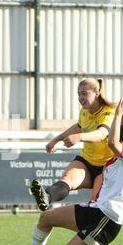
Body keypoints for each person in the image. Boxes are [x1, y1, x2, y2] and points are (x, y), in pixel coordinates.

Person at [14, 96, 123, 245]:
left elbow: (112, 142)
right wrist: (122, 115)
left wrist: (117, 115)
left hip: (107, 219)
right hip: (94, 210)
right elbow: (118, 136)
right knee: (46, 218)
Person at [31, 78, 116, 211]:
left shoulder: (109, 112)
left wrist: (80, 137)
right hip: (87, 160)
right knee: (67, 179)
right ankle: (47, 197)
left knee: (95, 205)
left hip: (107, 166)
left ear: (97, 93)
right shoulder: (84, 111)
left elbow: (101, 134)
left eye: (84, 93)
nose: (80, 98)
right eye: (78, 94)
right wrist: (56, 139)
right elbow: (78, 126)